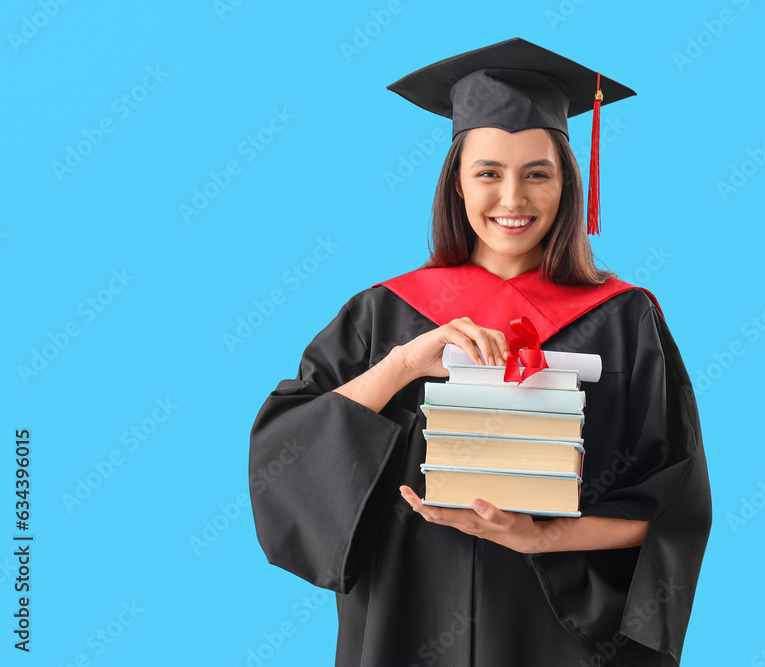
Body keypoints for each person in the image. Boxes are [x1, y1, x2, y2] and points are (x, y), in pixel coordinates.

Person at [249, 38, 711, 667]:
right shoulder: (381, 315)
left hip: (557, 640)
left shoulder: (626, 320)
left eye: (537, 173)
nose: (512, 199)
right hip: (405, 627)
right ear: (457, 185)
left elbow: (673, 510)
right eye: (488, 172)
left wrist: (541, 537)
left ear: (568, 182)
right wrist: (404, 366)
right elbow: (288, 459)